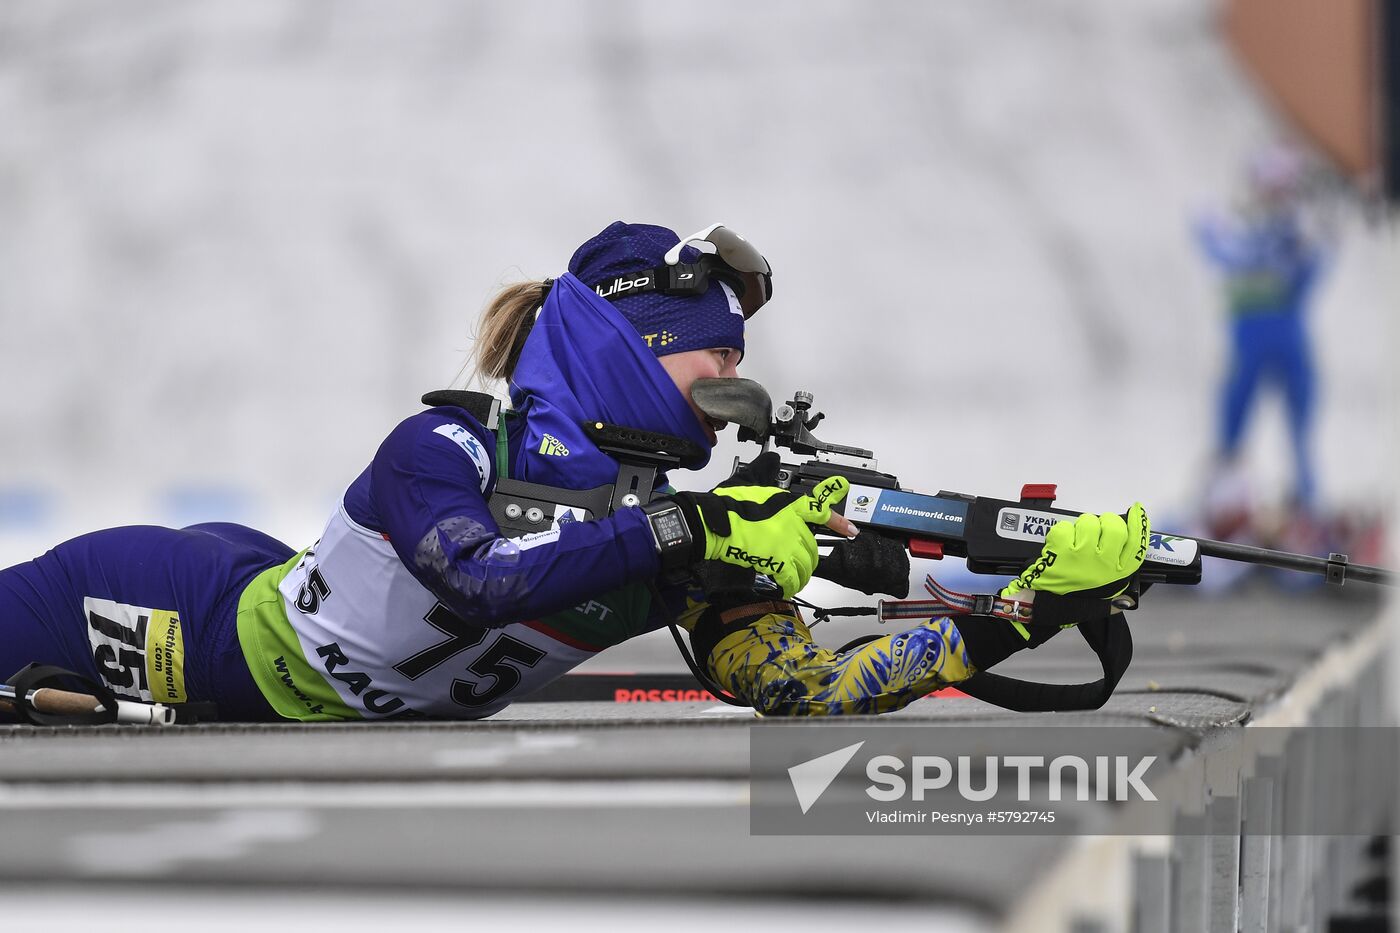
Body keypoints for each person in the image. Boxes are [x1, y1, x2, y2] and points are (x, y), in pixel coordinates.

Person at [0, 221, 1149, 722]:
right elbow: (483, 579)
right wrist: (694, 535)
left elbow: (803, 686)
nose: (733, 375)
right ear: (632, 343)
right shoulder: (441, 448)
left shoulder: (670, 518)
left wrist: (1015, 613)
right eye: (716, 349)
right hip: (180, 613)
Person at [1193, 146, 1330, 540]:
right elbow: (1224, 252)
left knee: (1300, 430)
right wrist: (1209, 227)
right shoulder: (1244, 229)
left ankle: (1307, 511)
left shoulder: (1297, 231)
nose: (1276, 196)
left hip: (1287, 340)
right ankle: (1222, 509)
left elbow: (1310, 272)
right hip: (1250, 341)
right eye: (1271, 187)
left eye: (1282, 188)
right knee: (1232, 427)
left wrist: (1314, 244)